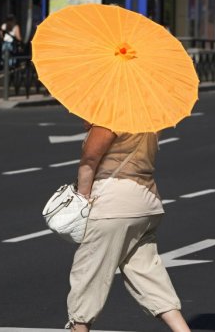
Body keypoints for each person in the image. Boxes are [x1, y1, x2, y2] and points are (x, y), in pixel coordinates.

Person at [66, 122, 191, 332]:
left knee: (88, 275)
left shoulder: (110, 118)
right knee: (148, 275)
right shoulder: (148, 121)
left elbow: (89, 159)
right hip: (147, 202)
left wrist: (82, 198)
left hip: (113, 204)